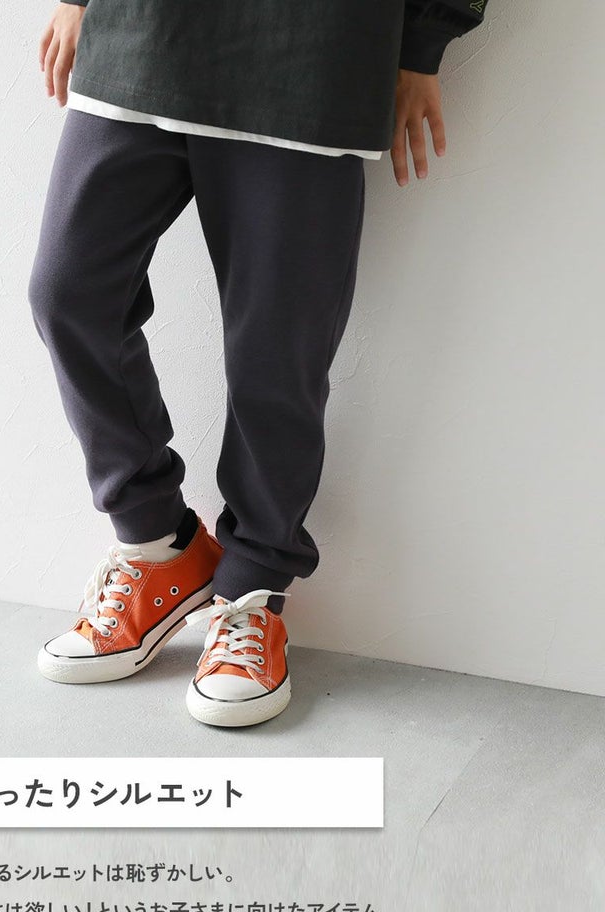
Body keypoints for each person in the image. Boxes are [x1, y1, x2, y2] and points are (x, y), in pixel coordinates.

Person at [28, 0, 491, 727]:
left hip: (314, 51)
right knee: (69, 294)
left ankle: (251, 588)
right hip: (142, 29)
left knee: (277, 354)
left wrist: (423, 43)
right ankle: (159, 545)